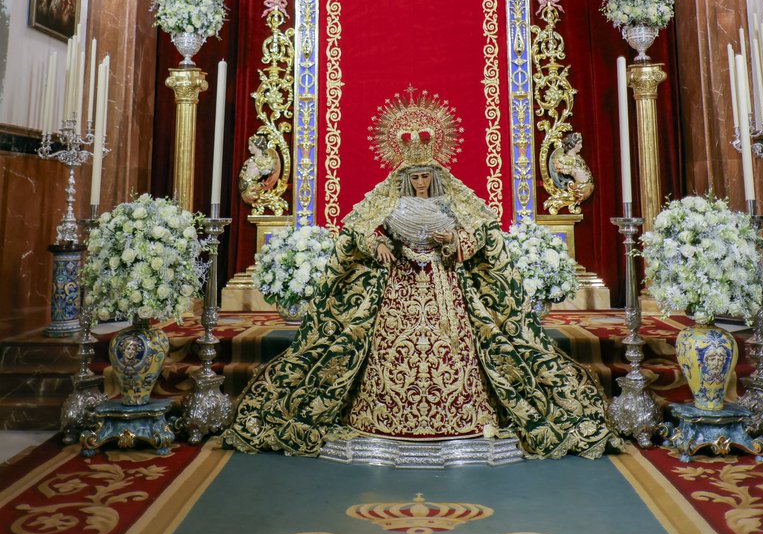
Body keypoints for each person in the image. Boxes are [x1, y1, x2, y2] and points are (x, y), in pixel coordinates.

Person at [226, 94, 620, 460]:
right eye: (413, 176)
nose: (418, 182)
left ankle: (465, 417)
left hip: (445, 283)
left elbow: (484, 231)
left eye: (424, 176)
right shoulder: (389, 199)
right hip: (397, 286)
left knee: (459, 346)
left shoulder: (452, 200)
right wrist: (376, 245)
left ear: (433, 173)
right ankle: (378, 417)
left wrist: (455, 240)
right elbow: (356, 230)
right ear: (404, 175)